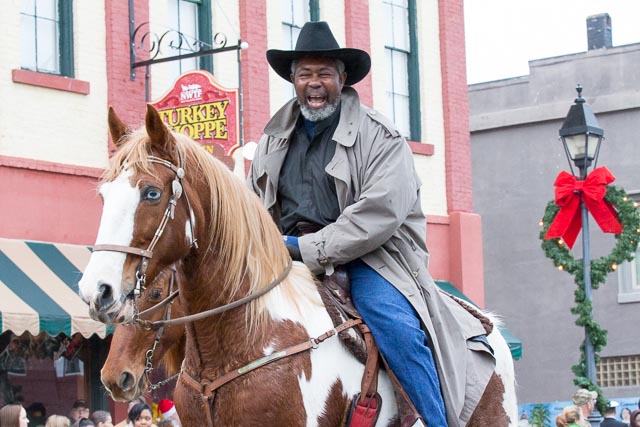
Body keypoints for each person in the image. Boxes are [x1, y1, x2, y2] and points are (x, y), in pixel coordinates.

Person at [248, 20, 496, 427]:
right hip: (284, 255)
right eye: (305, 74)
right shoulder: (272, 140)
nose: (314, 83)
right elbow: (253, 205)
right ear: (292, 79)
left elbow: (378, 213)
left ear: (342, 79)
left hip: (372, 258)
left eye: (324, 74)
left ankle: (438, 421)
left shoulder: (381, 136)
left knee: (392, 324)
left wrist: (301, 249)